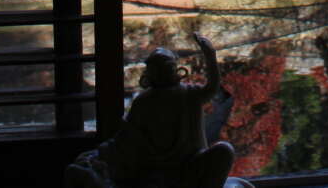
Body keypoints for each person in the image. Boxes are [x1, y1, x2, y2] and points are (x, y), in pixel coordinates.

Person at [68, 35, 240, 188]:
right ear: (150, 73)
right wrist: (101, 154)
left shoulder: (189, 94)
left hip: (192, 164)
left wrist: (210, 56)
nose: (163, 71)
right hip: (157, 173)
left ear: (175, 69)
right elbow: (126, 138)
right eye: (158, 68)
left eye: (167, 66)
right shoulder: (144, 102)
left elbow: (212, 88)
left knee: (224, 150)